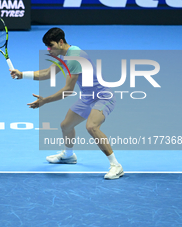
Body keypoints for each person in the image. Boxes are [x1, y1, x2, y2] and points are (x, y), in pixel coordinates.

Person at [10, 27, 124, 179]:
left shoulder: (75, 57)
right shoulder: (64, 55)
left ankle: (116, 166)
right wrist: (22, 75)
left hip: (103, 97)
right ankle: (69, 156)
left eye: (51, 45)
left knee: (91, 126)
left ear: (61, 42)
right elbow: (47, 73)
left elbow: (68, 90)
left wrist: (45, 101)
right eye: (47, 47)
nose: (49, 49)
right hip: (88, 97)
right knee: (66, 126)